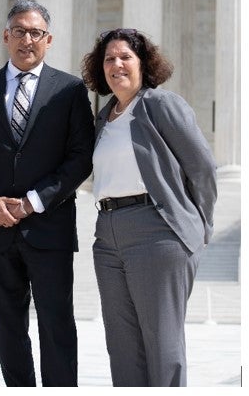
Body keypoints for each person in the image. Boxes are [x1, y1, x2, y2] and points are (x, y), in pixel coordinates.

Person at [0, 0, 94, 386]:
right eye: (19, 32)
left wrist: (33, 202)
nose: (26, 40)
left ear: (49, 40)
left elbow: (81, 159)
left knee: (57, 327)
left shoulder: (70, 91)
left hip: (50, 229)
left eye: (35, 33)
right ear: (5, 36)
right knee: (8, 329)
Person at [81, 28, 216, 387]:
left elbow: (201, 167)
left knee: (163, 342)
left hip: (156, 231)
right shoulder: (103, 117)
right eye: (109, 58)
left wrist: (201, 225)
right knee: (122, 346)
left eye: (125, 56)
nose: (117, 64)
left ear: (143, 63)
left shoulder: (160, 104)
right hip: (107, 235)